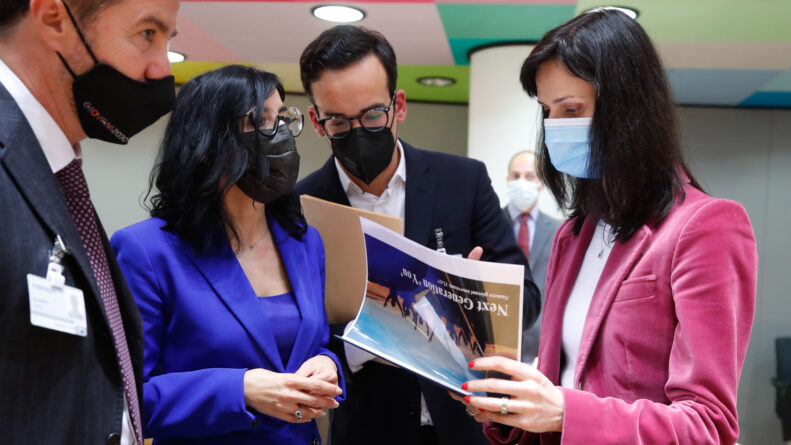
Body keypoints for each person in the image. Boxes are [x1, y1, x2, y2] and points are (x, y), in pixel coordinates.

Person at [460, 9, 757, 445]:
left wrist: (565, 412)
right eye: (548, 111)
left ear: (628, 106)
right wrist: (507, 404)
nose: (555, 128)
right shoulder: (573, 235)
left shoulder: (707, 226)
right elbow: (558, 382)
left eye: (572, 109)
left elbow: (706, 425)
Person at [296, 25, 539, 445]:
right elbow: (298, 328)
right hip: (367, 428)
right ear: (318, 123)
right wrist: (365, 340)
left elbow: (528, 301)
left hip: (464, 424)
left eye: (372, 115)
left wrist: (472, 297)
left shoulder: (463, 180)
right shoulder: (302, 206)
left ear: (399, 105)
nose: (358, 132)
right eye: (338, 121)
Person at [110, 65, 344, 444]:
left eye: (284, 118)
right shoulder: (147, 251)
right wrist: (240, 390)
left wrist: (328, 364)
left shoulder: (305, 242)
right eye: (261, 122)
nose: (280, 134)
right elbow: (128, 398)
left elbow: (311, 343)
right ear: (207, 143)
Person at [0, 0, 178, 443]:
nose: (162, 69)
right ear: (54, 18)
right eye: (147, 35)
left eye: (168, 41)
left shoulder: (58, 172)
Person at [502, 151, 560, 364]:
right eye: (515, 176)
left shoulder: (560, 232)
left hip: (541, 349)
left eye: (530, 176)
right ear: (508, 180)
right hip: (497, 342)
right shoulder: (490, 227)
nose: (521, 182)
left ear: (542, 183)